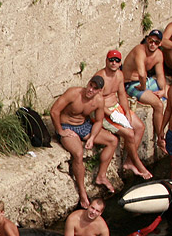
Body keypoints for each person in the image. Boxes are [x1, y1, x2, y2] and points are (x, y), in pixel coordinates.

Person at [49, 76, 119, 207]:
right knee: (78, 154)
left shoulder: (99, 100)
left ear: (99, 91)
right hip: (66, 126)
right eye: (90, 85)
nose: (91, 90)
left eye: (95, 88)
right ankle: (82, 193)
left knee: (112, 140)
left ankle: (101, 176)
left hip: (84, 125)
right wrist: (60, 130)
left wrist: (92, 137)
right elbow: (54, 111)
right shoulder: (74, 93)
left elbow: (98, 121)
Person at [94, 50, 151, 178]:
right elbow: (96, 101)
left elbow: (121, 95)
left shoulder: (119, 75)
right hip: (103, 111)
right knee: (129, 133)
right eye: (111, 60)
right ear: (106, 61)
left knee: (140, 127)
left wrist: (127, 113)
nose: (114, 63)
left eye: (117, 61)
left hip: (116, 107)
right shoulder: (100, 77)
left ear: (120, 63)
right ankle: (138, 163)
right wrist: (111, 114)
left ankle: (129, 161)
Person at [123, 30, 169, 151]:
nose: (152, 44)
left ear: (160, 44)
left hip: (146, 81)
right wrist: (143, 88)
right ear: (147, 40)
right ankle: (160, 138)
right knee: (158, 105)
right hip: (132, 83)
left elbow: (160, 75)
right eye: (150, 41)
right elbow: (141, 74)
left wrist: (163, 90)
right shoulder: (140, 50)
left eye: (156, 42)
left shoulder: (159, 54)